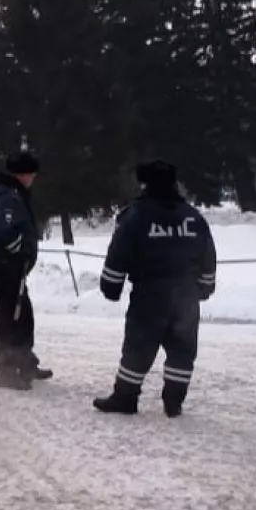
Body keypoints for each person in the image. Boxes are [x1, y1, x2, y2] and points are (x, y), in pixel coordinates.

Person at [93, 161, 216, 418]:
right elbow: (207, 255)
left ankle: (126, 398)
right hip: (186, 297)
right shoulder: (193, 217)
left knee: (138, 347)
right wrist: (204, 287)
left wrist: (111, 286)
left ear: (144, 184)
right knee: (182, 348)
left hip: (150, 297)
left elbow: (119, 253)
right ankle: (174, 401)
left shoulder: (135, 216)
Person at [0, 153, 52, 390]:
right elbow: (1, 233)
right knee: (9, 316)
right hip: (6, 264)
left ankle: (25, 360)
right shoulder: (9, 197)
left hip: (3, 263)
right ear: (22, 174)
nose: (33, 179)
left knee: (22, 314)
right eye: (31, 175)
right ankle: (7, 371)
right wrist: (20, 249)